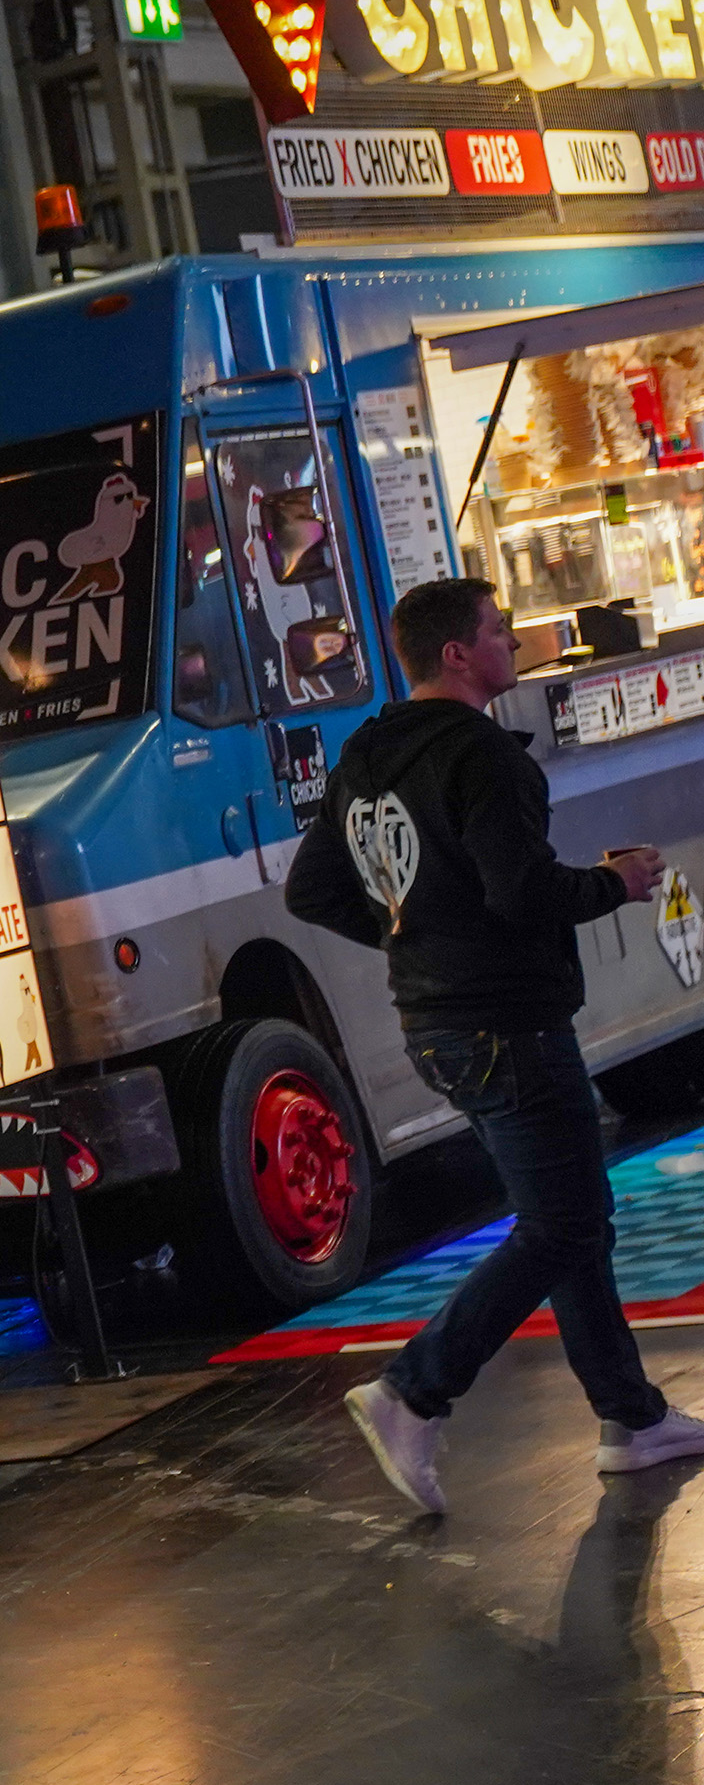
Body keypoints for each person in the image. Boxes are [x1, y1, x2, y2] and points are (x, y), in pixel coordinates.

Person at [285, 575, 704, 1511]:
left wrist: (416, 932)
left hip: (436, 1024)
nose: (513, 641)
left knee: (574, 1217)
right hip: (509, 1025)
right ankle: (413, 1391)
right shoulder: (483, 756)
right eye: (498, 629)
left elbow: (311, 889)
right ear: (457, 654)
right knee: (563, 1224)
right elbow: (521, 892)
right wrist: (615, 882)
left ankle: (631, 1418)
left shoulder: (368, 753)